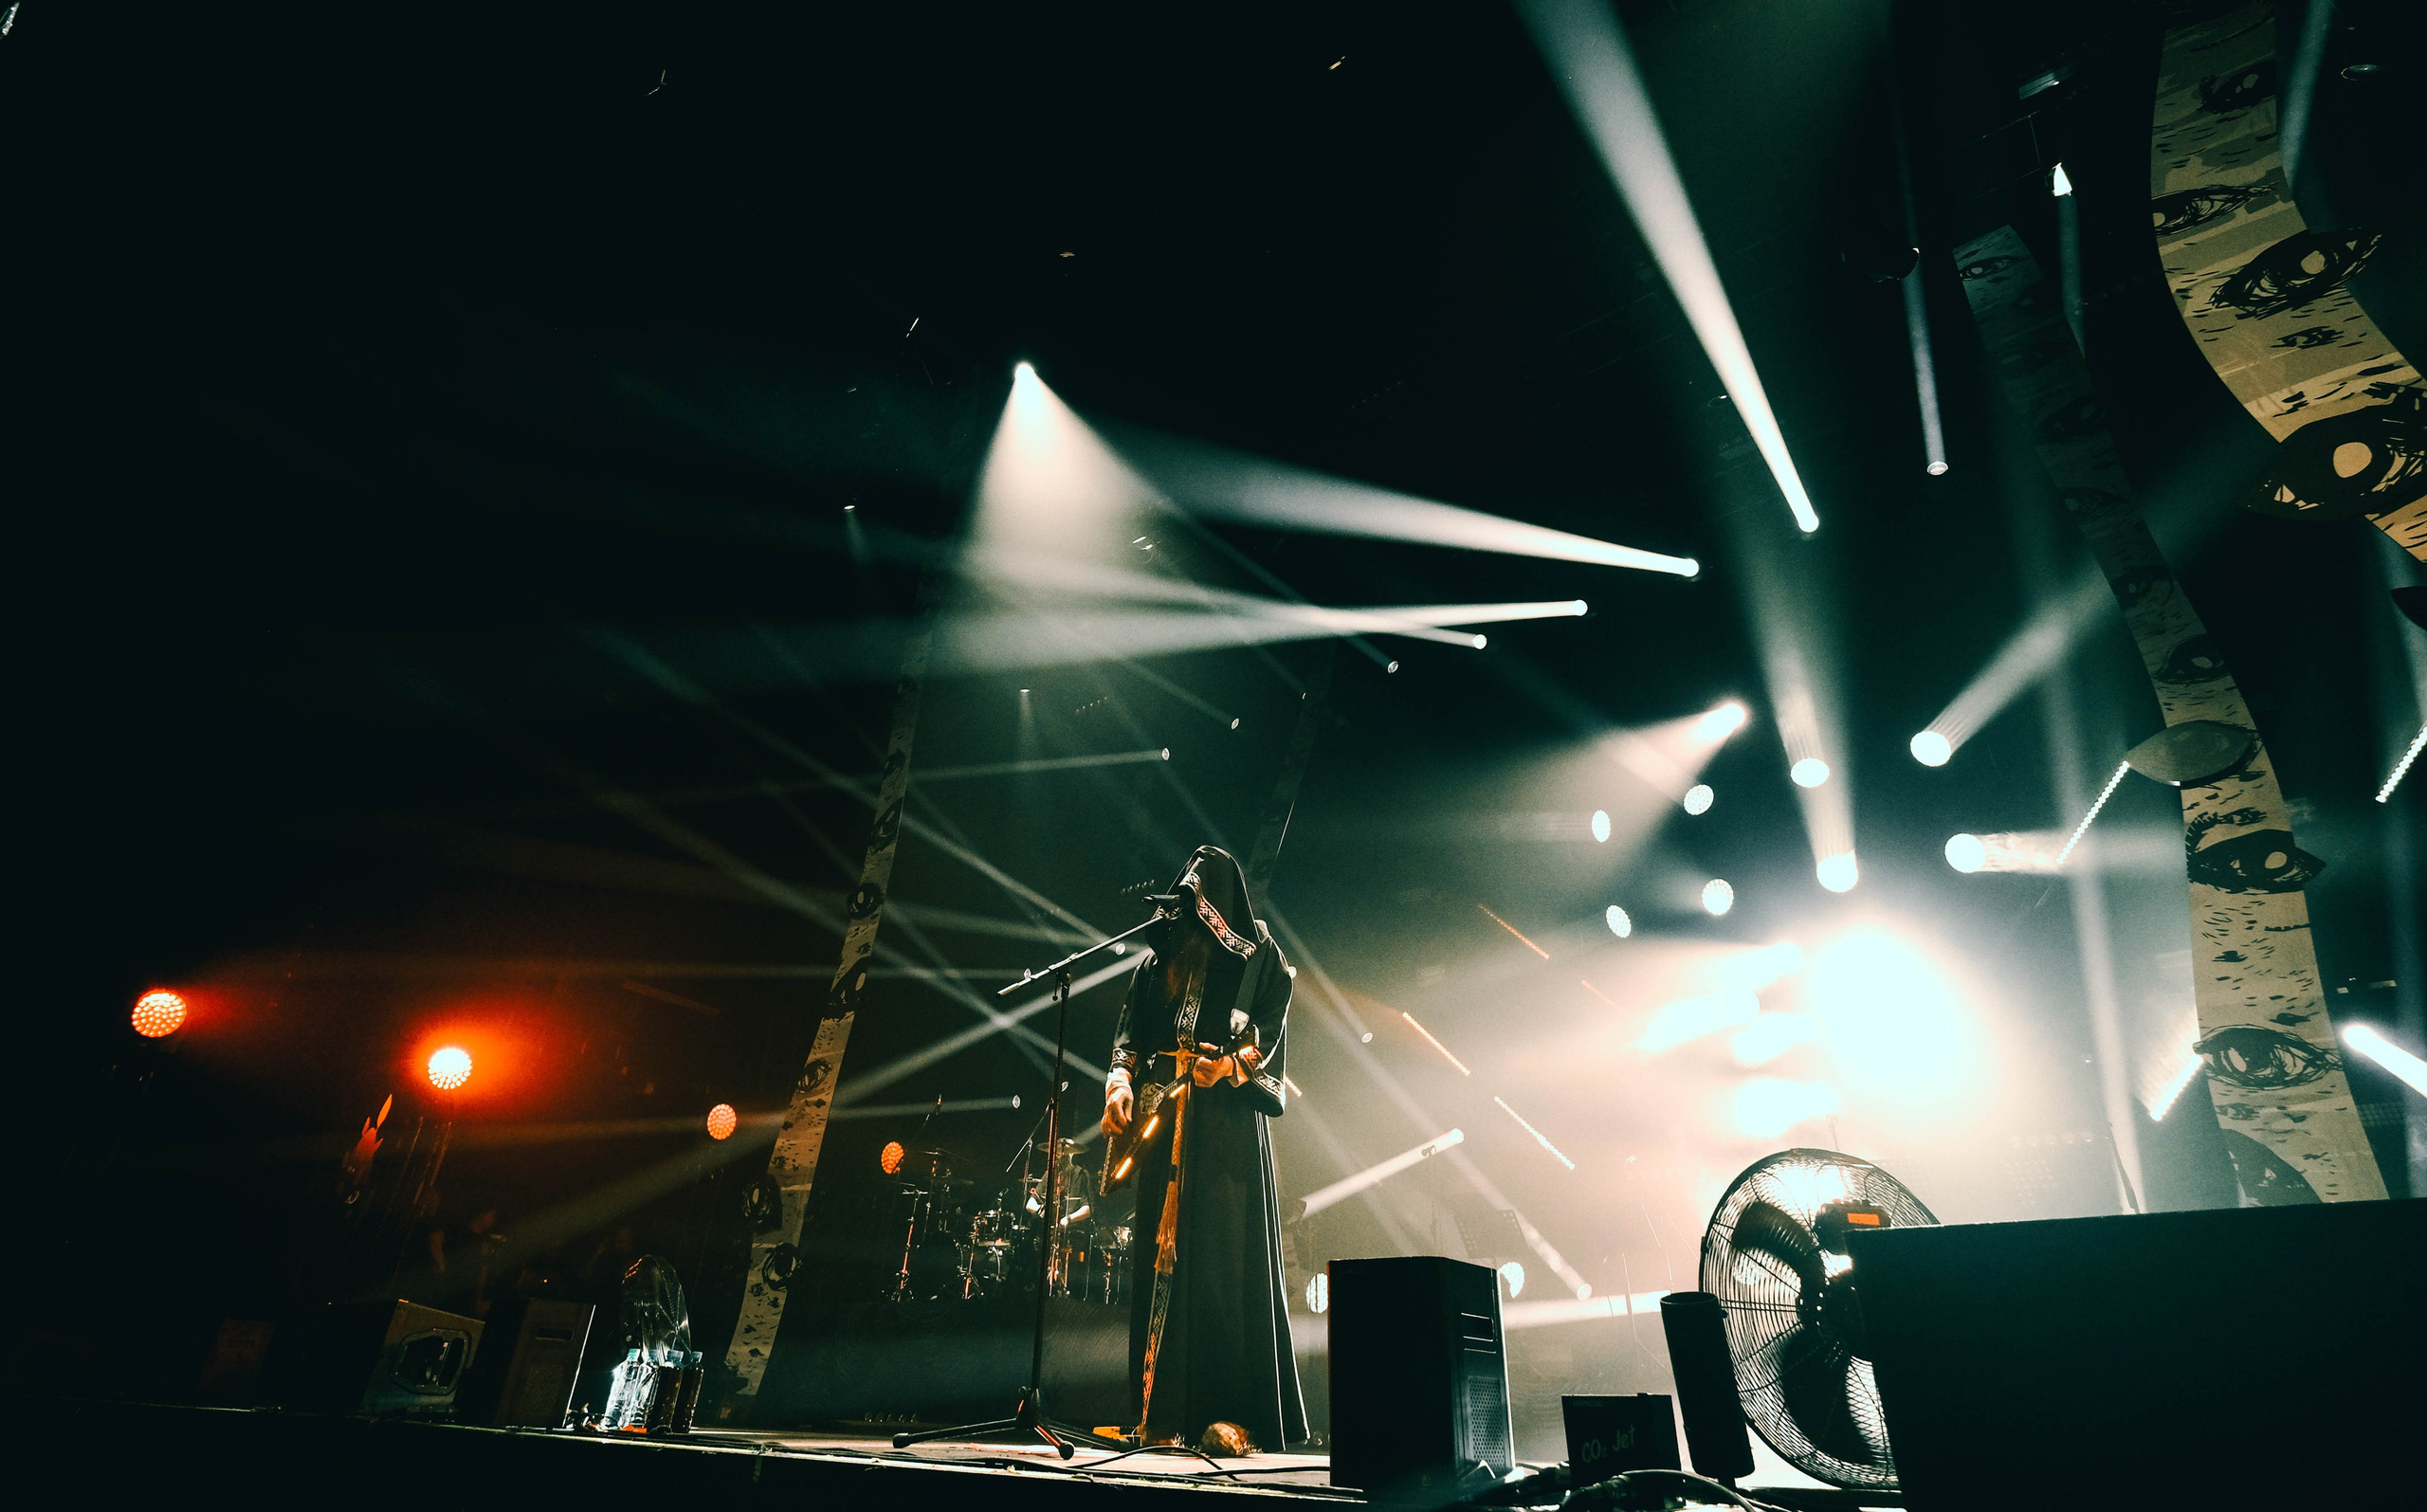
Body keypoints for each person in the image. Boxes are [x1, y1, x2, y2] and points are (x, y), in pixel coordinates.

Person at [1102, 845, 1307, 1450]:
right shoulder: (1160, 960)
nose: (1191, 922)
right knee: (1159, 1263)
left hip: (1225, 1133)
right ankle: (1158, 1411)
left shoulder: (1261, 959)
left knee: (1221, 1269)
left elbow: (1269, 1030)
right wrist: (1119, 1083)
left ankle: (1229, 1413)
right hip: (1164, 1123)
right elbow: (1130, 1034)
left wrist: (1234, 1068)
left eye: (1200, 909)